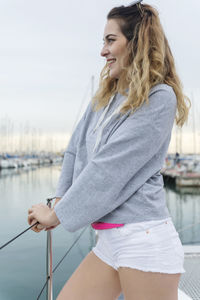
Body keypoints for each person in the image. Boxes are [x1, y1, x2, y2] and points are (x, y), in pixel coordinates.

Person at [28, 1, 191, 299]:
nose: (103, 50)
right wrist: (60, 203)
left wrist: (58, 216)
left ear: (137, 42)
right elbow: (75, 151)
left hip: (144, 240)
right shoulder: (106, 98)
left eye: (110, 40)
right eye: (103, 41)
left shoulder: (159, 98)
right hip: (109, 240)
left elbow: (110, 168)